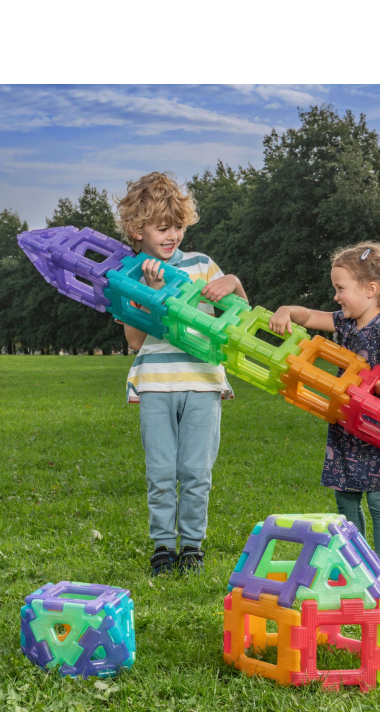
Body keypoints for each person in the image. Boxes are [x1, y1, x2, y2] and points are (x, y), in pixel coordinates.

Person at [268, 242, 380, 581]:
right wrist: (285, 310)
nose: (337, 296)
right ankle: (356, 564)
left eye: (341, 288)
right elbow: (310, 317)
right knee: (346, 499)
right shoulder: (345, 323)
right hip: (346, 425)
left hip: (379, 430)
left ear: (371, 290)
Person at [116, 172, 248, 577]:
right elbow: (136, 340)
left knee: (195, 471)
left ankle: (192, 546)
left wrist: (235, 283)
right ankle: (161, 547)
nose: (172, 235)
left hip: (203, 381)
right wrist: (151, 297)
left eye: (177, 226)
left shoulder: (202, 265)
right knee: (160, 472)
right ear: (138, 231)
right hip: (156, 383)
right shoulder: (130, 274)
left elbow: (239, 318)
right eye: (162, 228)